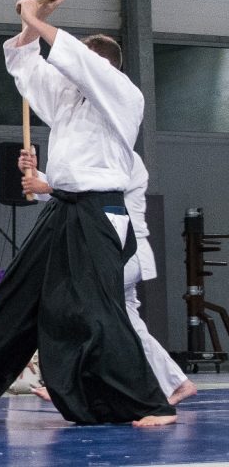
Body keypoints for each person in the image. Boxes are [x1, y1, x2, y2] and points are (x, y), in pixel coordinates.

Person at [0, 0, 176, 427]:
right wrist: (36, 12)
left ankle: (152, 403)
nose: (68, 67)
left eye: (82, 59)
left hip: (101, 213)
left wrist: (37, 17)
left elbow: (75, 59)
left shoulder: (124, 98)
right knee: (12, 302)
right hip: (62, 210)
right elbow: (24, 61)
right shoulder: (67, 100)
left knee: (97, 310)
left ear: (104, 67)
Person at [17, 151, 197, 406]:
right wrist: (34, 173)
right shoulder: (102, 157)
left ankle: (75, 385)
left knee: (81, 309)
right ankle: (177, 382)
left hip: (121, 251)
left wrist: (45, 185)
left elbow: (88, 198)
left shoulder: (123, 157)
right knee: (127, 323)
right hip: (113, 251)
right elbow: (72, 190)